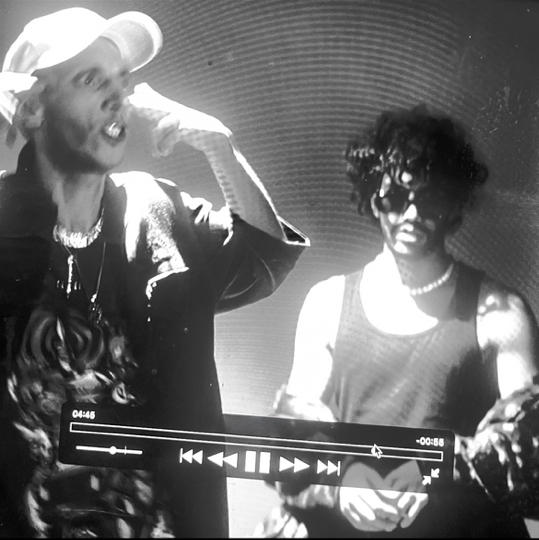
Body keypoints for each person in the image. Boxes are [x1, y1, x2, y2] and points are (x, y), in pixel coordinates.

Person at [0, 7, 308, 538]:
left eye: (121, 79)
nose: (117, 95)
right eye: (90, 79)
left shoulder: (158, 209)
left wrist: (219, 146)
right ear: (31, 108)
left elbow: (262, 257)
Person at [254, 105, 539, 538]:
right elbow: (287, 443)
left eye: (430, 198)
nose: (411, 214)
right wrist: (339, 481)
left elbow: (532, 449)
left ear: (454, 204)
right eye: (396, 198)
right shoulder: (326, 303)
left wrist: (443, 466)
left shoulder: (501, 313)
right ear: (373, 197)